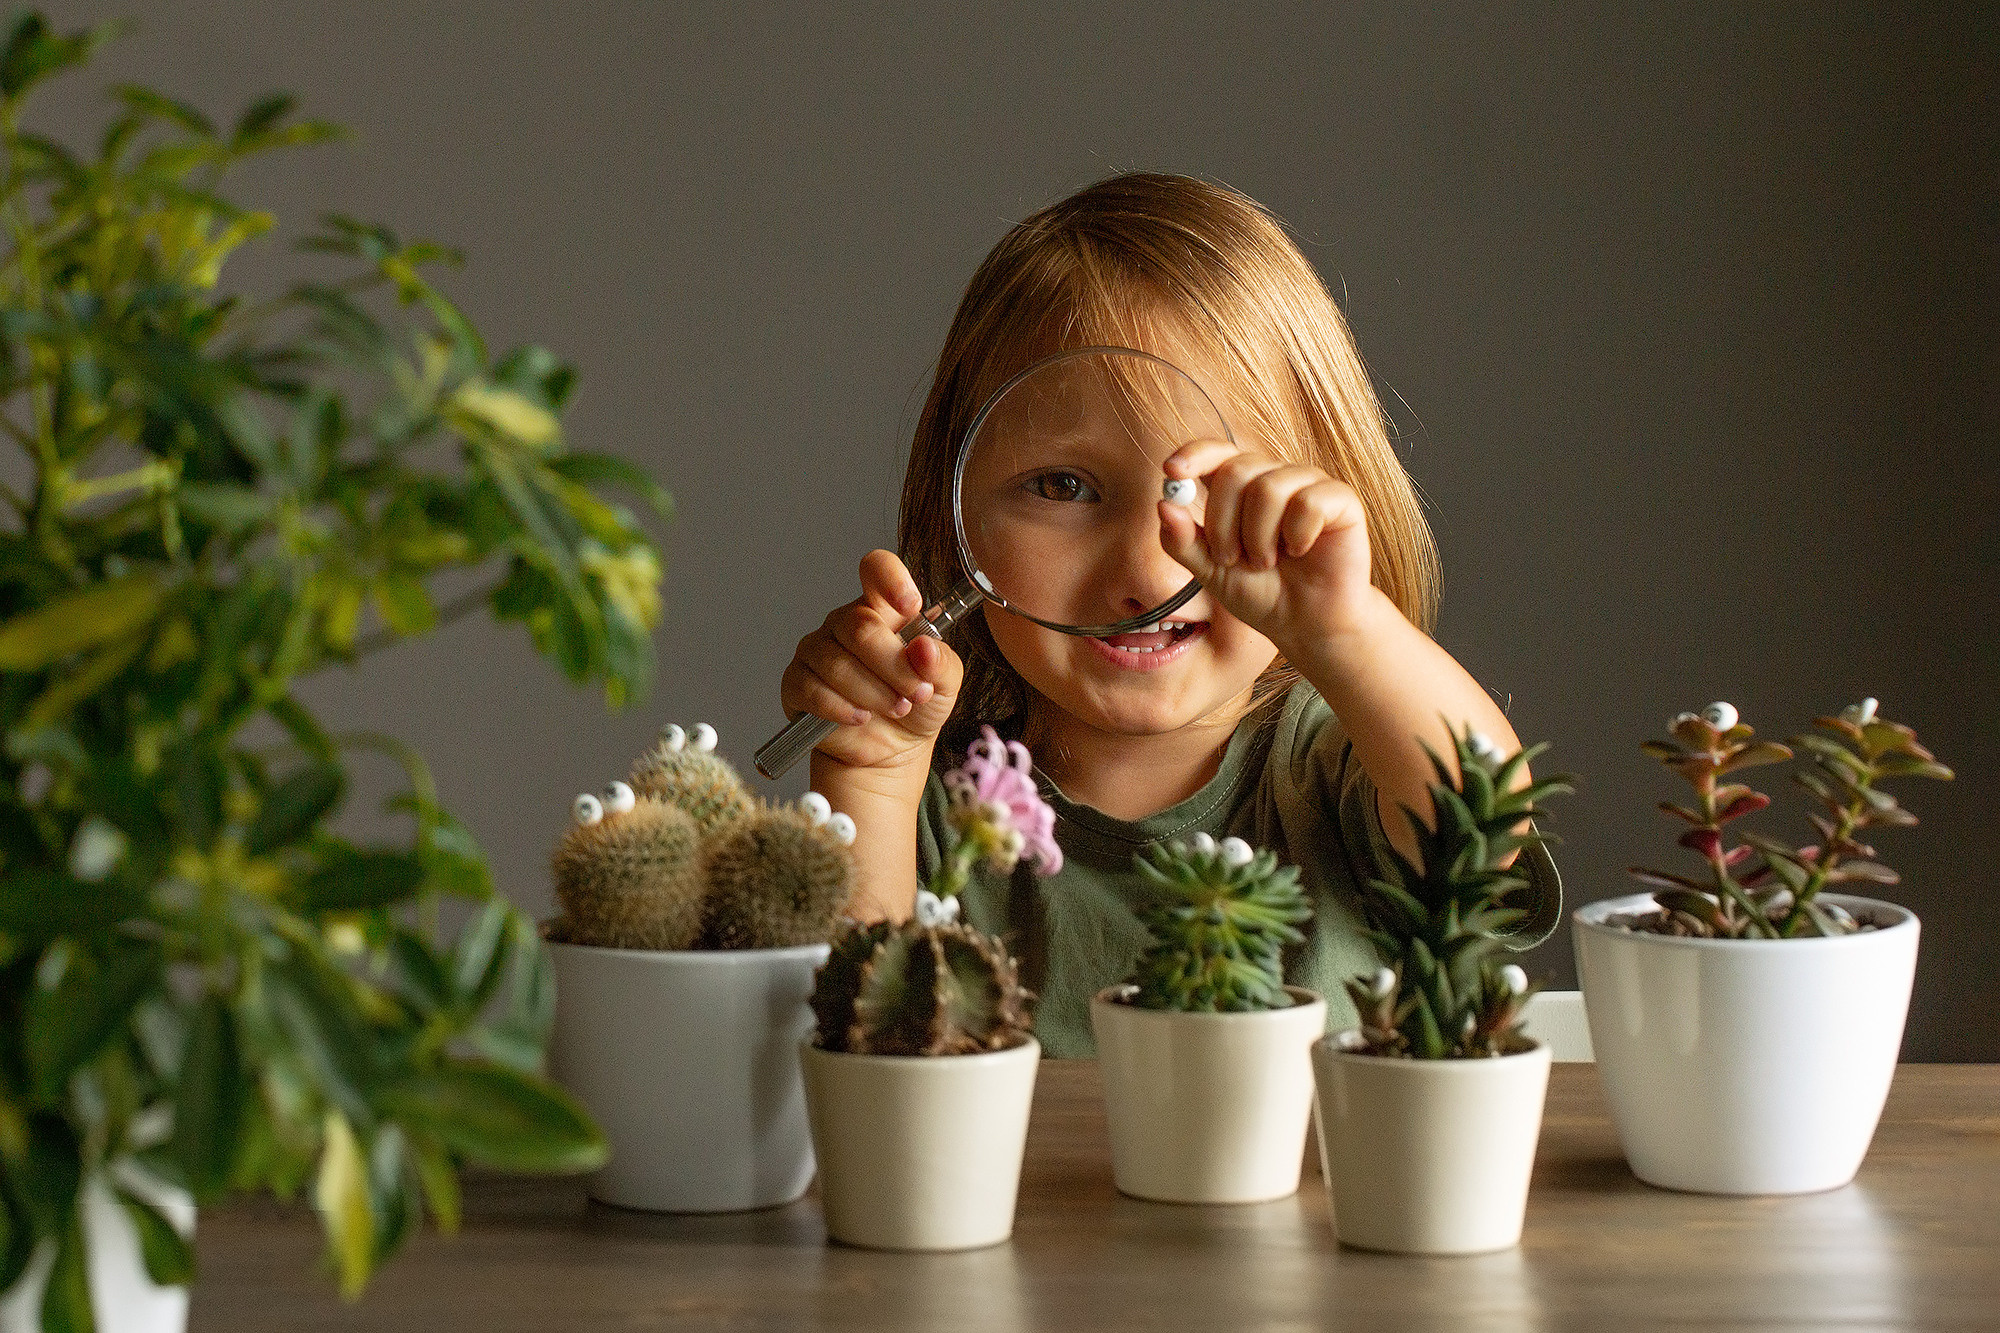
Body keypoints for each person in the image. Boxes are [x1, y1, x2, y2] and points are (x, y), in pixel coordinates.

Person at [780, 172, 1558, 1058]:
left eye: (1213, 491)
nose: (1148, 571)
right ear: (956, 523)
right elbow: (854, 1052)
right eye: (1063, 486)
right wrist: (871, 781)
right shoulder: (935, 800)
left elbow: (1483, 824)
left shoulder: (1337, 770)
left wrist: (1347, 630)